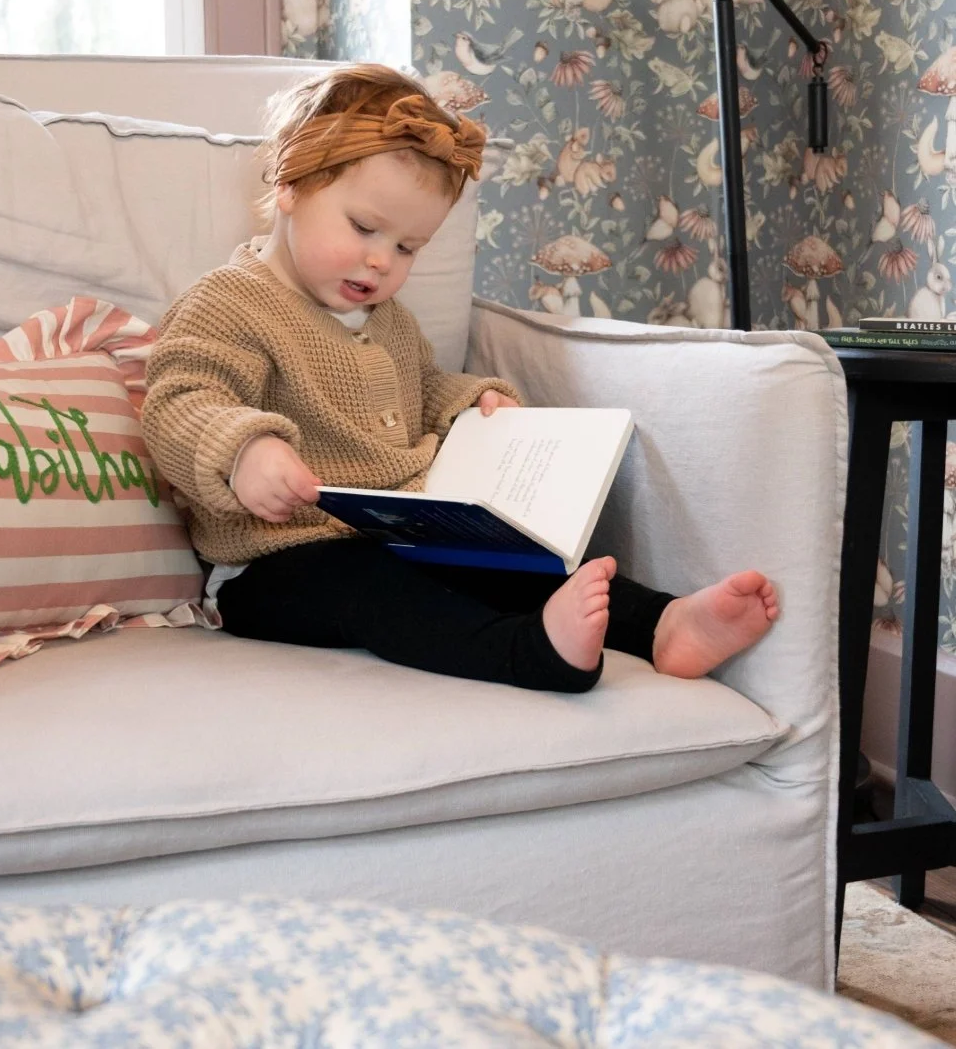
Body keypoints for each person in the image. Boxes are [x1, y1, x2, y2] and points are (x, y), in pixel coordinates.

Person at [142, 64, 778, 693]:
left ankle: (662, 623)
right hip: (270, 567)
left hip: (402, 533)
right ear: (291, 183)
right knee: (373, 587)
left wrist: (474, 404)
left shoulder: (386, 321)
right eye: (364, 228)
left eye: (406, 248)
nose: (379, 260)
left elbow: (424, 390)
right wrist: (243, 451)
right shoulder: (230, 301)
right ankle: (527, 653)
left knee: (508, 559)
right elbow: (180, 397)